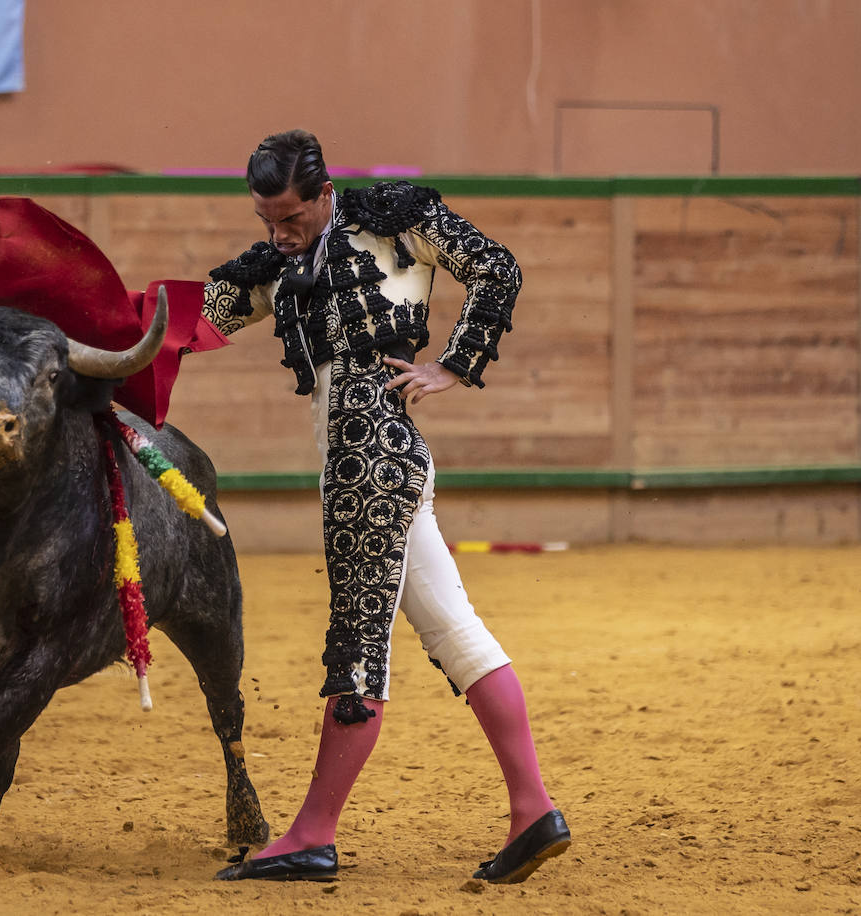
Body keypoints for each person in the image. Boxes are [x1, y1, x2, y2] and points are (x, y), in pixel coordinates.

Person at [202, 130, 569, 884]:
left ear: (323, 192)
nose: (280, 232)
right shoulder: (280, 264)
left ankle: (312, 833)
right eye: (268, 218)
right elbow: (195, 320)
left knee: (358, 650)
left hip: (371, 465)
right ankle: (533, 811)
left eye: (292, 217)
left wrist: (454, 366)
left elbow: (496, 268)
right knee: (456, 634)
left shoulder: (392, 222)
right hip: (368, 464)